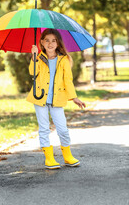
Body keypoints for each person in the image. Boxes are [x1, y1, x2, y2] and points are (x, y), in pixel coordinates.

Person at [26, 28, 86, 169]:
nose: (50, 43)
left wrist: (74, 97)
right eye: (47, 40)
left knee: (62, 128)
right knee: (44, 128)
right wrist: (34, 57)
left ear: (58, 43)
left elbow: (68, 80)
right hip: (39, 97)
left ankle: (67, 156)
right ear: (42, 42)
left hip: (57, 99)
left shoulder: (64, 60)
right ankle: (49, 158)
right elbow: (32, 72)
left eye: (53, 40)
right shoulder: (39, 57)